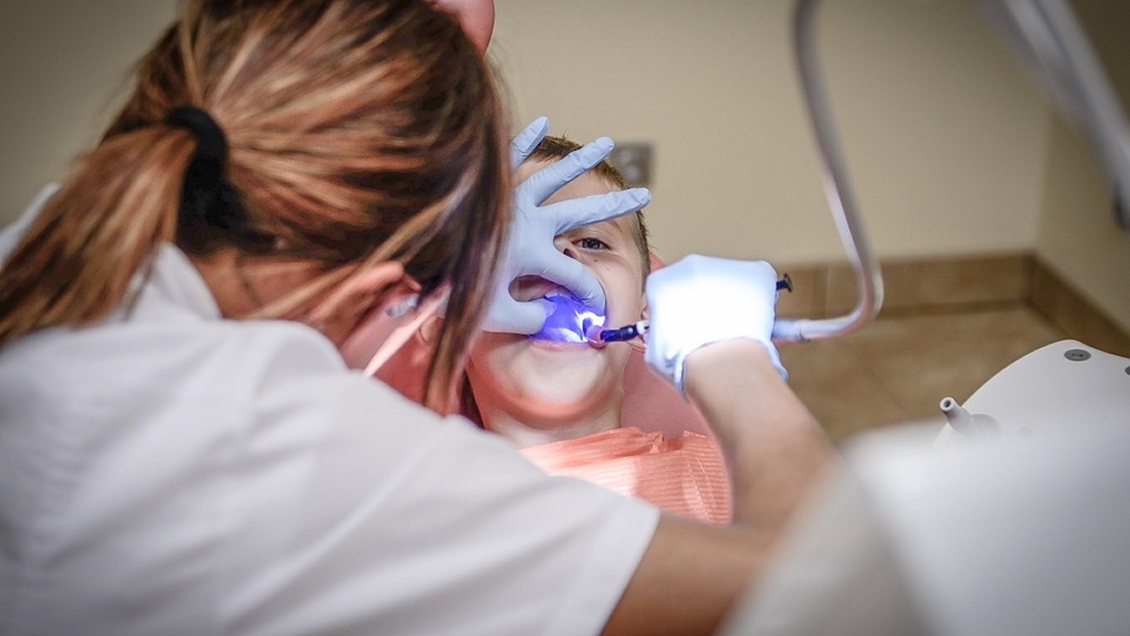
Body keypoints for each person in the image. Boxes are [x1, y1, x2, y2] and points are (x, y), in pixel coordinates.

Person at [0, 1, 834, 635]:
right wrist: (730, 353)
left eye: (590, 242)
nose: (558, 273)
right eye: (490, 245)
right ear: (416, 299)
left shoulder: (56, 252)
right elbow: (823, 580)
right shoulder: (348, 465)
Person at [460, 135, 732, 524]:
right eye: (511, 242)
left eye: (592, 241)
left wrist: (745, 374)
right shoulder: (413, 507)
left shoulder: (719, 478)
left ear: (646, 308)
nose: (559, 258)